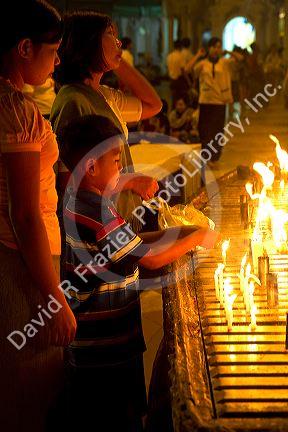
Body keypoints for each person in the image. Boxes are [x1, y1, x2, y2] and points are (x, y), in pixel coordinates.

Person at [60, 114, 220, 431]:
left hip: (95, 342)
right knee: (118, 416)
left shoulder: (79, 201)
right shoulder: (99, 215)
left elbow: (130, 247)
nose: (121, 172)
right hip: (107, 345)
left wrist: (177, 234)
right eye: (117, 163)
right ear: (91, 168)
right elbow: (148, 260)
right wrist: (197, 237)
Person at [0, 1, 76, 431]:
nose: (58, 60)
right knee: (27, 392)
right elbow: (25, 214)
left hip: (21, 261)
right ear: (25, 47)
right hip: (19, 266)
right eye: (53, 49)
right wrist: (52, 300)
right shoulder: (16, 111)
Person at [51, 12, 161, 233]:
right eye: (110, 34)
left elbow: (153, 104)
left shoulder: (104, 95)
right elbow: (69, 180)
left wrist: (116, 59)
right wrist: (131, 182)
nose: (118, 41)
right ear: (88, 43)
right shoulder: (74, 101)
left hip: (120, 217)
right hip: (100, 226)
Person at [185, 37, 243, 166]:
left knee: (217, 130)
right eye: (214, 47)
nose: (216, 50)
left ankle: (215, 157)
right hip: (205, 101)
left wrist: (228, 51)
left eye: (218, 47)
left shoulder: (225, 62)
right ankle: (206, 155)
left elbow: (240, 59)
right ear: (209, 48)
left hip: (219, 102)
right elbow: (187, 69)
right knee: (204, 129)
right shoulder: (202, 63)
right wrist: (198, 55)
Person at [166, 40, 190, 106]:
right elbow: (183, 70)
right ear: (180, 47)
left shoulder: (169, 56)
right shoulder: (180, 56)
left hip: (171, 79)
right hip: (179, 80)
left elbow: (168, 68)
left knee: (173, 98)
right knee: (180, 99)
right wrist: (189, 81)